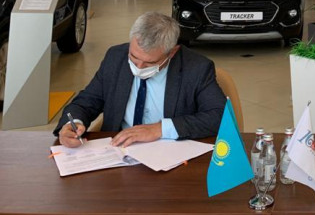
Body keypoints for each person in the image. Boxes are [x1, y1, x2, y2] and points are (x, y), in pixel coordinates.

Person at [54, 11, 226, 148]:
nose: (139, 67)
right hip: (118, 150)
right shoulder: (116, 57)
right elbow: (87, 101)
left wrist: (160, 129)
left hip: (169, 151)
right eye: (134, 57)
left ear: (172, 52)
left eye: (150, 62)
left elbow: (219, 116)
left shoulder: (197, 68)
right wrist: (72, 124)